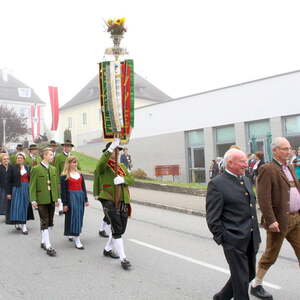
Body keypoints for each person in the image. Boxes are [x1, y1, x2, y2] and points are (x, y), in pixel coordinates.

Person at [206, 148, 261, 300]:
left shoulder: (247, 180)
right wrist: (224, 239)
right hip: (233, 241)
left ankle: (221, 297)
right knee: (241, 280)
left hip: (251, 238)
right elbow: (212, 217)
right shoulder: (217, 184)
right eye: (242, 162)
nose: (246, 164)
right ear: (230, 163)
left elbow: (251, 209)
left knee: (249, 273)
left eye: (246, 161)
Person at [251, 137, 300, 299]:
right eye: (284, 149)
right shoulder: (267, 169)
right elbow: (263, 198)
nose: (288, 151)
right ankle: (256, 284)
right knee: (271, 254)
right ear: (275, 151)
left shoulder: (290, 167)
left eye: (289, 148)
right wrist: (271, 220)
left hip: (296, 219)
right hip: (278, 221)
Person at [95, 138, 134, 270]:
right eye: (115, 150)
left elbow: (131, 179)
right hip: (109, 199)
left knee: (121, 229)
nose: (118, 152)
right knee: (117, 227)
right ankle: (123, 258)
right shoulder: (104, 166)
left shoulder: (121, 167)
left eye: (118, 150)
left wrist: (123, 179)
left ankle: (107, 249)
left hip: (123, 199)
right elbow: (99, 165)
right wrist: (110, 148)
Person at [30, 148, 59, 257]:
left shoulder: (53, 169)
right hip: (41, 199)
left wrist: (57, 198)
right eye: (51, 155)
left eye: (52, 154)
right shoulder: (36, 169)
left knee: (50, 222)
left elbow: (56, 185)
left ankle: (43, 241)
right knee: (44, 221)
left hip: (51, 199)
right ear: (45, 156)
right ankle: (48, 245)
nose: (52, 156)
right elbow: (32, 185)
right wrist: (33, 199)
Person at [60, 156, 89, 249]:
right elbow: (63, 191)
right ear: (68, 163)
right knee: (73, 217)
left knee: (79, 217)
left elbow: (83, 187)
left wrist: (86, 199)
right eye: (72, 162)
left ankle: (74, 233)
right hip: (71, 198)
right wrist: (64, 204)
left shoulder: (80, 174)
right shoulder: (64, 176)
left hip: (80, 198)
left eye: (75, 162)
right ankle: (77, 239)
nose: (74, 164)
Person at [6, 153, 34, 234]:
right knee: (17, 206)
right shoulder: (12, 167)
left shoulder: (27, 167)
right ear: (16, 159)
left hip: (26, 188)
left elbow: (30, 179)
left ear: (24, 159)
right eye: (18, 158)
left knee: (25, 206)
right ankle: (18, 221)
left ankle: (24, 225)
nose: (19, 159)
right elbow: (8, 181)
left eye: (21, 158)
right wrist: (8, 193)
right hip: (17, 189)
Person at [55, 140, 78, 215]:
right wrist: (58, 181)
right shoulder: (59, 157)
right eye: (66, 146)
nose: (68, 148)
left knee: (70, 193)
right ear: (63, 147)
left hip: (72, 178)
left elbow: (78, 167)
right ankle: (61, 207)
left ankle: (70, 206)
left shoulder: (73, 157)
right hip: (63, 178)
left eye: (69, 146)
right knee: (63, 192)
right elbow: (56, 170)